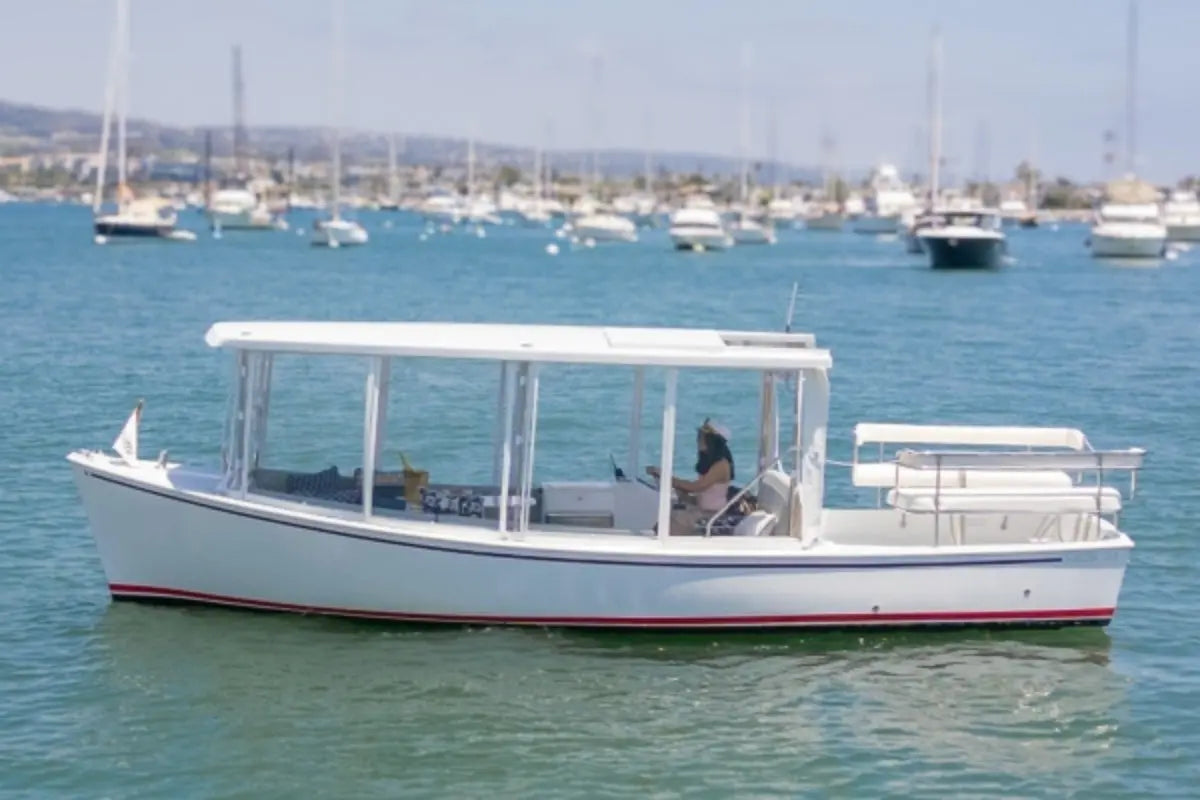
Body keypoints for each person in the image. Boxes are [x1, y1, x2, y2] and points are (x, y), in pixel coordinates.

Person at [647, 419, 734, 535]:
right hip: (702, 510)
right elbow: (701, 495)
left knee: (677, 518)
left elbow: (698, 487)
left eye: (701, 437)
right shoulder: (712, 463)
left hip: (712, 515)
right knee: (670, 512)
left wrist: (669, 479)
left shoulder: (721, 465)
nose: (698, 440)